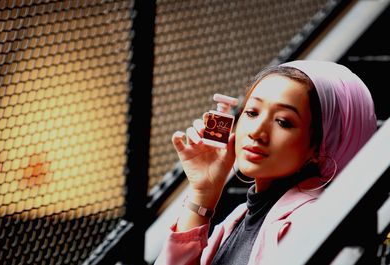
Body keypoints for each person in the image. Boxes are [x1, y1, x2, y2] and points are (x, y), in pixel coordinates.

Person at [154, 60, 377, 265]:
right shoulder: (240, 216)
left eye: (283, 121)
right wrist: (203, 192)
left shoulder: (308, 221)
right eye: (251, 112)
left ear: (320, 146)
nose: (257, 132)